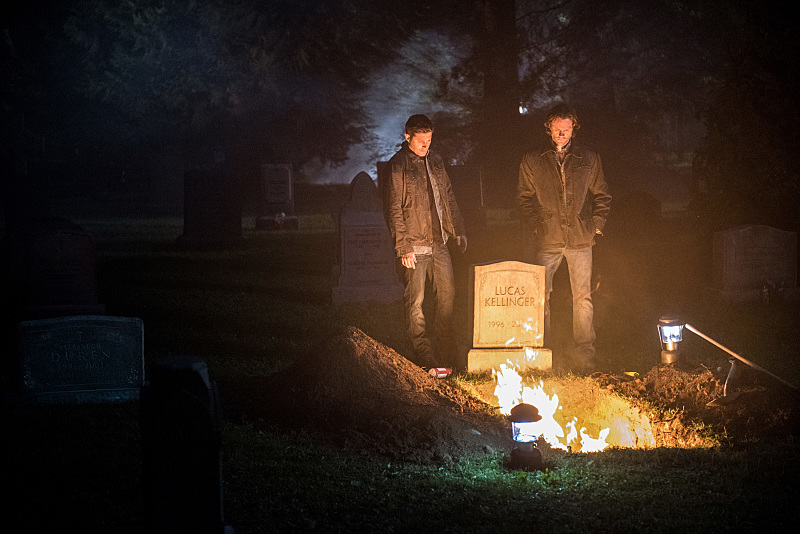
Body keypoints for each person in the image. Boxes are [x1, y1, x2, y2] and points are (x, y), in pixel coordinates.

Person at [516, 104, 611, 372]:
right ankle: (540, 350)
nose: (562, 133)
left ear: (573, 129)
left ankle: (584, 354)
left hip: (581, 239)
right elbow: (523, 198)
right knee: (539, 297)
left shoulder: (589, 159)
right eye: (557, 129)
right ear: (549, 128)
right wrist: (536, 225)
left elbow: (602, 195)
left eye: (566, 129)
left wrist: (596, 225)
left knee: (583, 297)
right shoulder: (533, 159)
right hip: (548, 238)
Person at [383, 114, 468, 370]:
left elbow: (448, 197)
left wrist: (458, 229)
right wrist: (403, 246)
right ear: (407, 137)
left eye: (429, 140)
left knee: (447, 296)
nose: (425, 146)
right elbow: (394, 209)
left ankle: (446, 351)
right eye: (420, 141)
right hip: (414, 244)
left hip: (438, 241)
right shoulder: (398, 166)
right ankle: (424, 354)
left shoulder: (437, 161)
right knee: (415, 301)